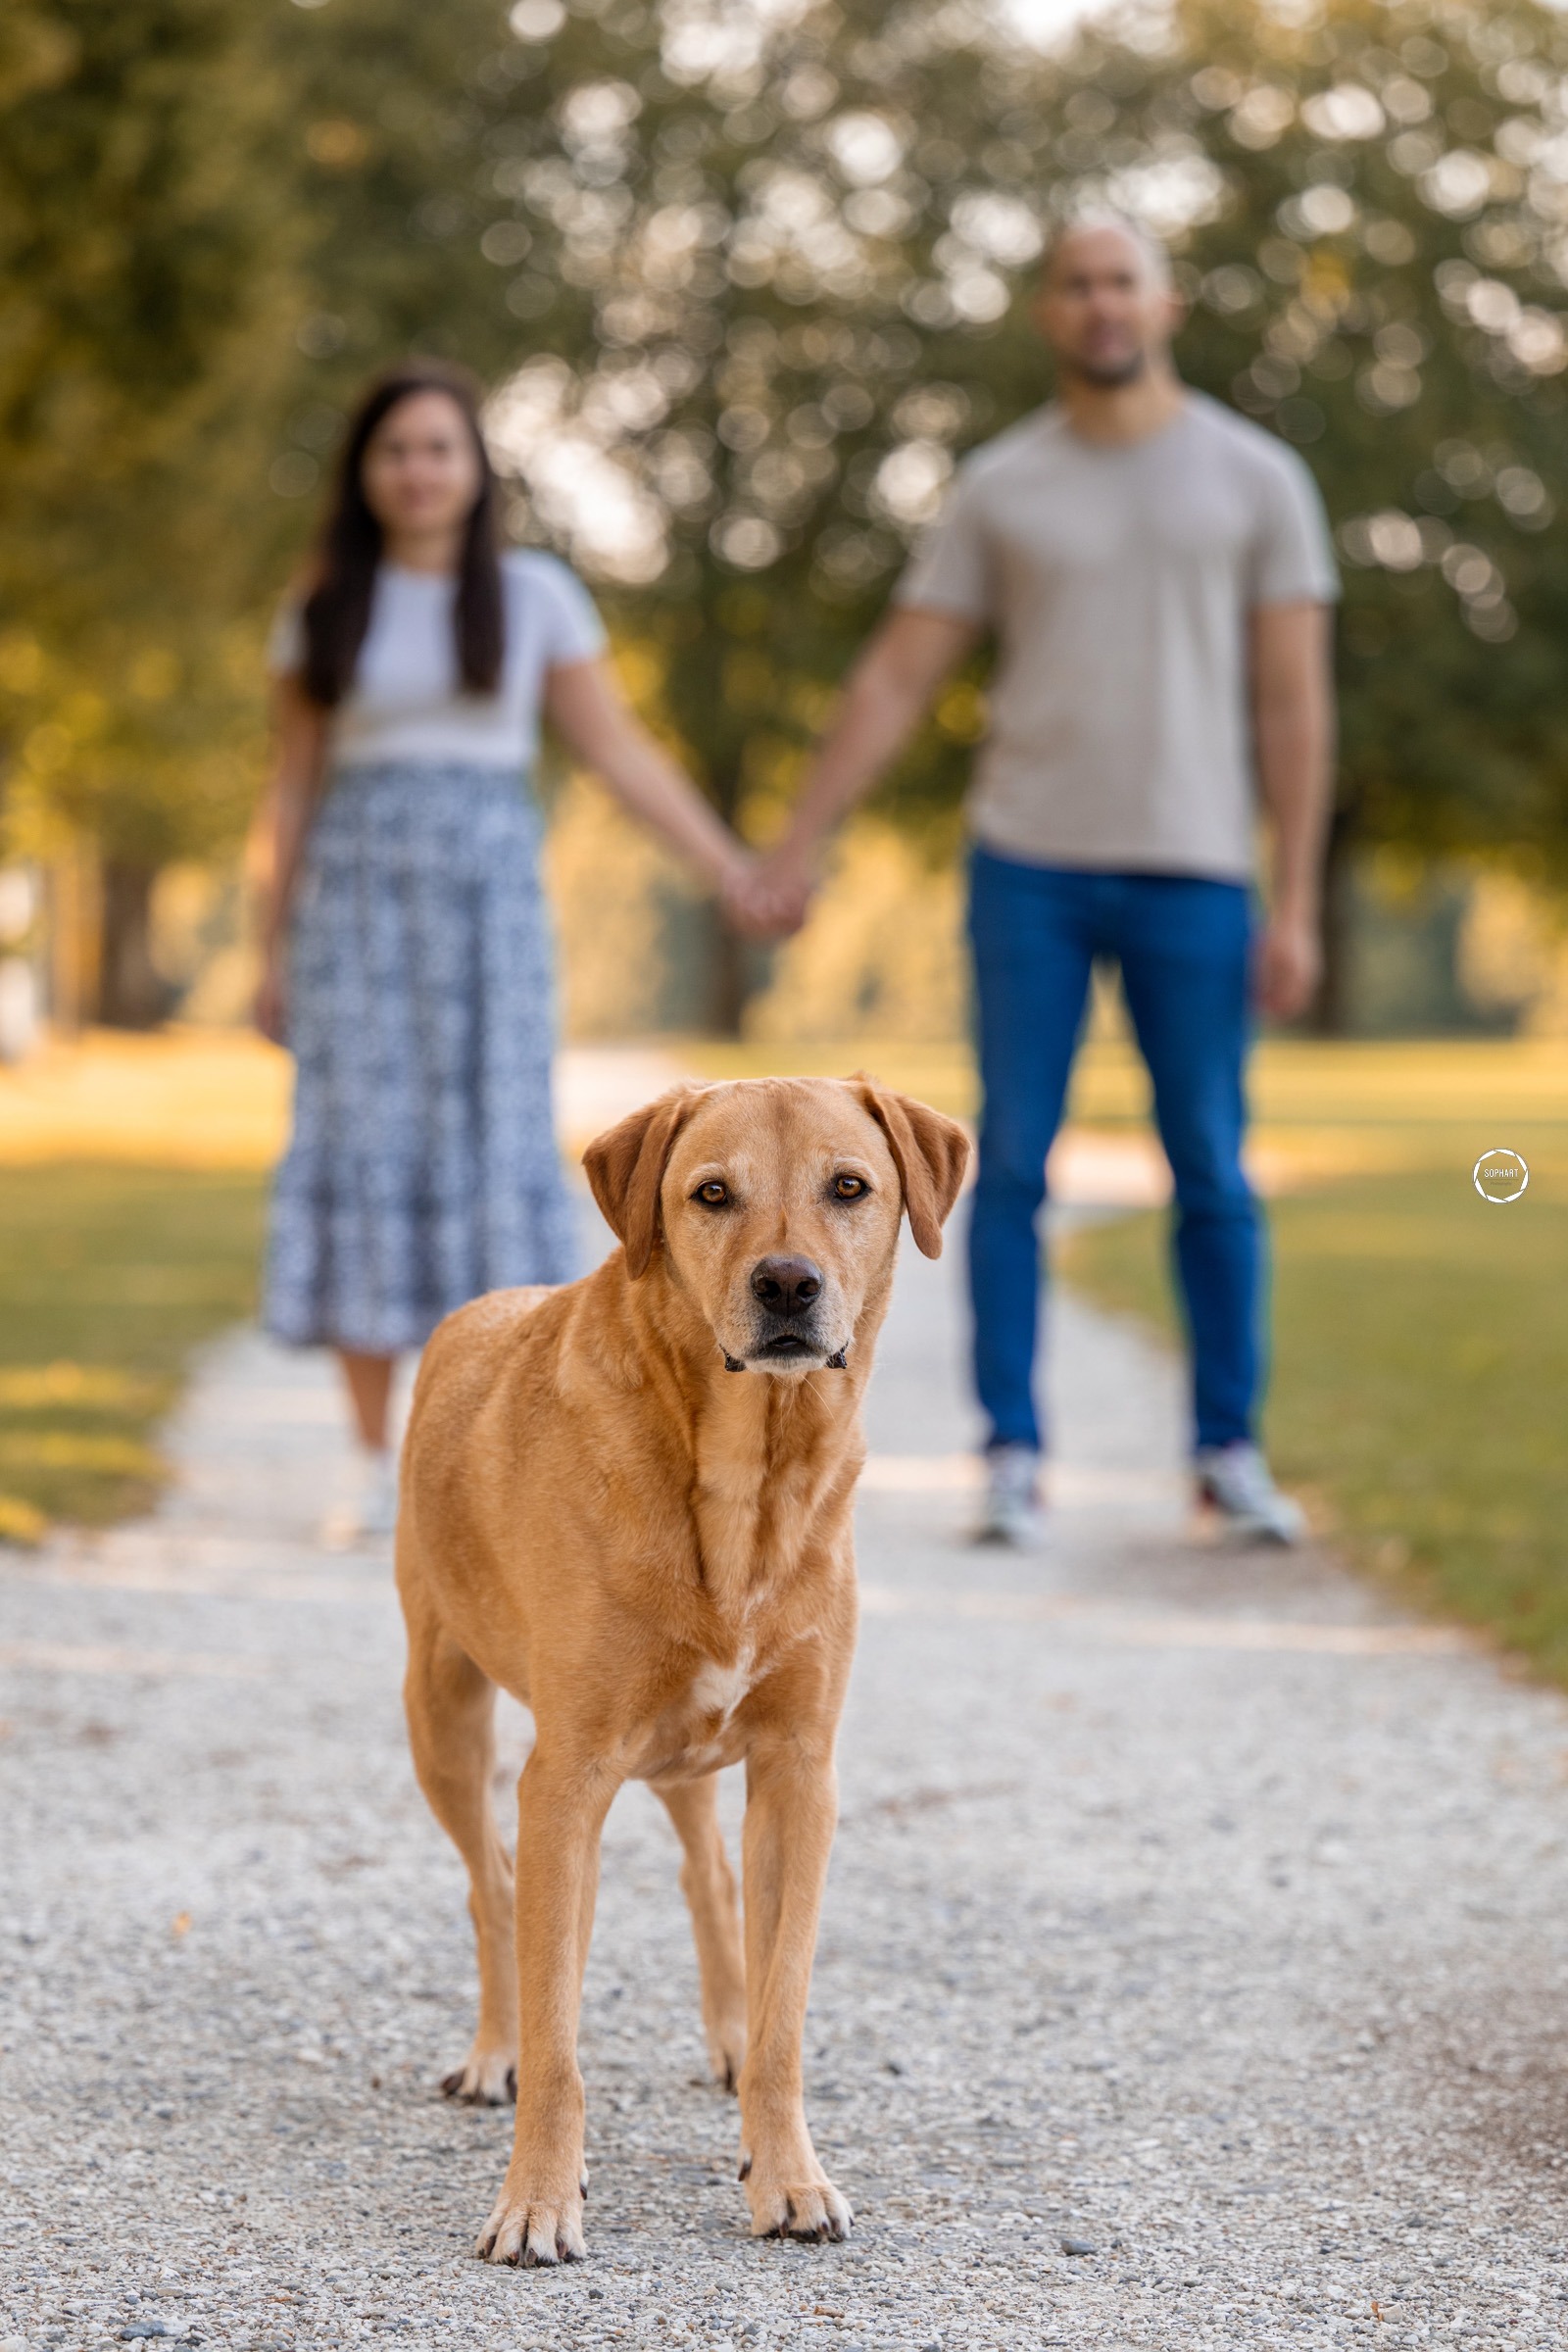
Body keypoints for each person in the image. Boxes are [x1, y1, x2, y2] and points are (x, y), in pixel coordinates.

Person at [745, 217, 1338, 1547]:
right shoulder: (1002, 488)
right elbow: (900, 670)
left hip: (1197, 868)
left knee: (1213, 1170)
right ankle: (1010, 1450)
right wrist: (800, 840)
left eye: (1121, 280)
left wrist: (1293, 897)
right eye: (1075, 285)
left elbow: (1296, 705)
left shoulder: (1257, 480)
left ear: (1164, 301)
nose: (1100, 304)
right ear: (1047, 311)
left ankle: (1227, 1450)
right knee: (1008, 1160)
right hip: (1031, 864)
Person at [253, 360, 753, 1544]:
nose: (418, 471)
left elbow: (621, 756)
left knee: (489, 1153)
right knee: (365, 1158)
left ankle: (493, 1452)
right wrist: (266, 948)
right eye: (396, 451)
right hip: (359, 919)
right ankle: (378, 1461)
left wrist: (729, 869)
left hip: (486, 919)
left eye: (439, 449)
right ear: (365, 473)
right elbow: (291, 790)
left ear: (476, 470)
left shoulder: (533, 599)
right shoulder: (324, 605)